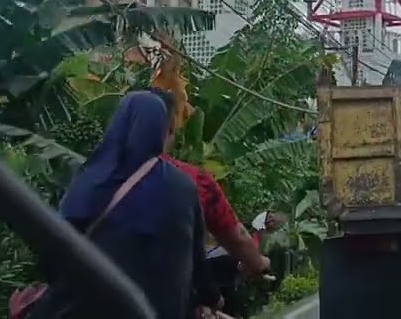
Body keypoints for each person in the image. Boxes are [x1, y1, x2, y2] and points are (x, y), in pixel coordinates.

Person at [28, 91, 222, 319]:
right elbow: (196, 260)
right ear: (160, 130)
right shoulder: (181, 186)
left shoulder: (93, 179)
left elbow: (56, 246)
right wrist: (211, 297)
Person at [152, 90, 272, 278]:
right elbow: (236, 237)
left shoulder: (98, 176)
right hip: (166, 293)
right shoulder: (191, 180)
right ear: (171, 128)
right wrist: (258, 263)